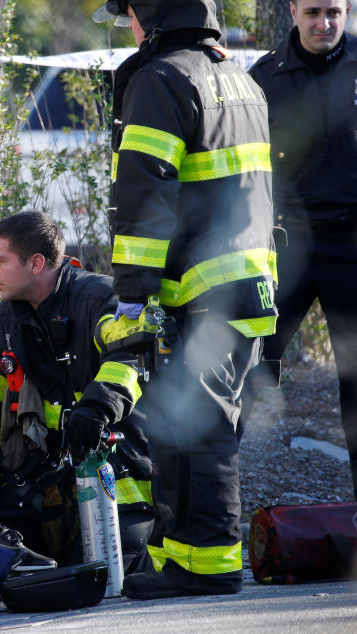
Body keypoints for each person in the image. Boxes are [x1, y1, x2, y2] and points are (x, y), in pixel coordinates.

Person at [93, 0, 277, 598]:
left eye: (131, 15)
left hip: (199, 288)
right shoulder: (238, 77)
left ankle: (208, 567)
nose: (130, 27)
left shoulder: (163, 79)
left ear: (153, 13)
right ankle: (183, 561)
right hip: (245, 280)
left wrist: (130, 294)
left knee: (200, 431)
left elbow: (145, 192)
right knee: (186, 427)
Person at [0, 211, 154, 574]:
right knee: (3, 562)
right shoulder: (4, 322)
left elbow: (130, 358)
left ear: (36, 263)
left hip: (119, 468)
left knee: (107, 569)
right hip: (46, 478)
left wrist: (96, 410)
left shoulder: (99, 298)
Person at [247, 0, 357, 499]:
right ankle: (218, 512)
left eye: (334, 11)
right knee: (247, 365)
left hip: (351, 247)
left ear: (349, 10)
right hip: (284, 245)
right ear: (292, 11)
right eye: (313, 12)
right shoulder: (263, 79)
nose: (324, 23)